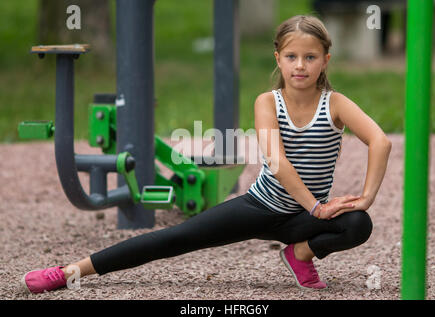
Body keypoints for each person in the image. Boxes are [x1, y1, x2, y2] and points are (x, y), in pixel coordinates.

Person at [21, 15, 391, 294]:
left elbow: (380, 141)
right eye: (292, 56)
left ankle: (300, 254)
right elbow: (277, 162)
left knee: (358, 224)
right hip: (260, 207)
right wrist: (316, 207)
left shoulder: (336, 104)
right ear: (278, 58)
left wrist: (366, 197)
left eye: (310, 57)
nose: (300, 65)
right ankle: (69, 272)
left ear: (326, 60)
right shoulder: (267, 102)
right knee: (173, 239)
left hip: (303, 220)